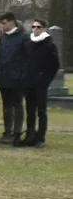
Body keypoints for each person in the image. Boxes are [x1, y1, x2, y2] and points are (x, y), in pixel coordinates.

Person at [19, 19, 60, 148]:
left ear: (44, 28)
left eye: (38, 27)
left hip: (40, 84)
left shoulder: (49, 44)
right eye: (34, 27)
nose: (35, 29)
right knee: (30, 111)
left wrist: (44, 81)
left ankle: (40, 137)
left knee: (41, 112)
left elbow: (54, 65)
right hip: (28, 83)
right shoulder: (29, 42)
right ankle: (30, 135)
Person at [0, 13, 27, 144]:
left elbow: (26, 58)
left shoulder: (24, 37)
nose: (2, 26)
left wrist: (22, 74)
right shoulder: (3, 38)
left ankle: (16, 132)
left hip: (18, 78)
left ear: (12, 22)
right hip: (4, 77)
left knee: (17, 105)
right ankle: (7, 132)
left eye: (4, 23)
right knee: (6, 105)